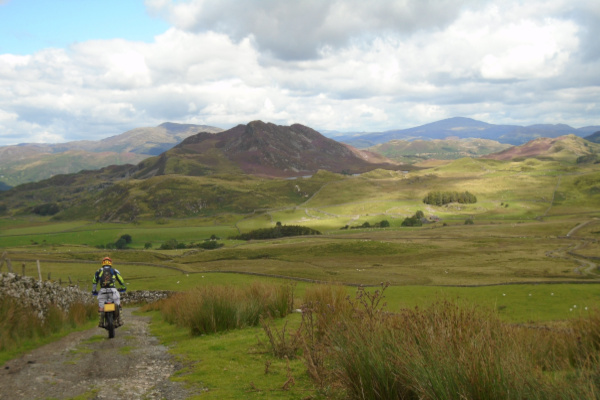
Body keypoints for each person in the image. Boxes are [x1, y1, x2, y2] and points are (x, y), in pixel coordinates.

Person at [92, 257, 126, 327]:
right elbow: (120, 279)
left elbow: (94, 281)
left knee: (101, 306)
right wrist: (123, 287)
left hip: (102, 291)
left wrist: (94, 291)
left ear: (103, 263)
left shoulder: (98, 271)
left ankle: (101, 322)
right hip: (113, 291)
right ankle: (120, 320)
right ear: (111, 263)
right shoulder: (114, 270)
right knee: (118, 304)